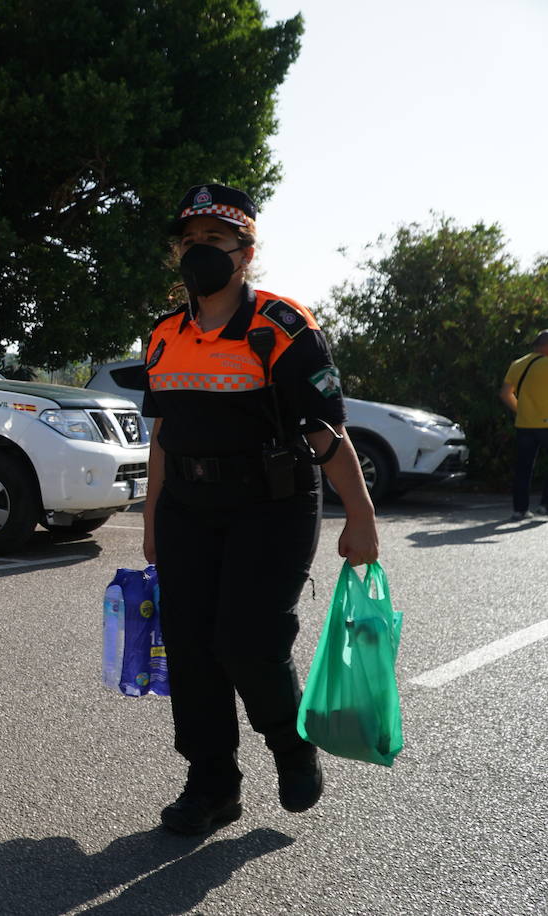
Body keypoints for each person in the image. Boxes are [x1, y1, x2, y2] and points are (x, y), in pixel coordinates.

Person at [139, 183, 380, 835]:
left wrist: (361, 518)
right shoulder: (163, 337)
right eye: (189, 241)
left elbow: (327, 435)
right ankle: (212, 784)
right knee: (190, 649)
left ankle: (290, 747)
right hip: (187, 509)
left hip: (270, 507)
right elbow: (163, 436)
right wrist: (151, 520)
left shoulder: (282, 327)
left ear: (245, 254)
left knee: (247, 641)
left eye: (214, 241)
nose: (199, 252)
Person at [498, 330, 548, 520]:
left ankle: (520, 510)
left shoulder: (518, 364)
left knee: (523, 468)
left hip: (525, 424)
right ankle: (545, 506)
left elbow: (505, 394)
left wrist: (521, 410)